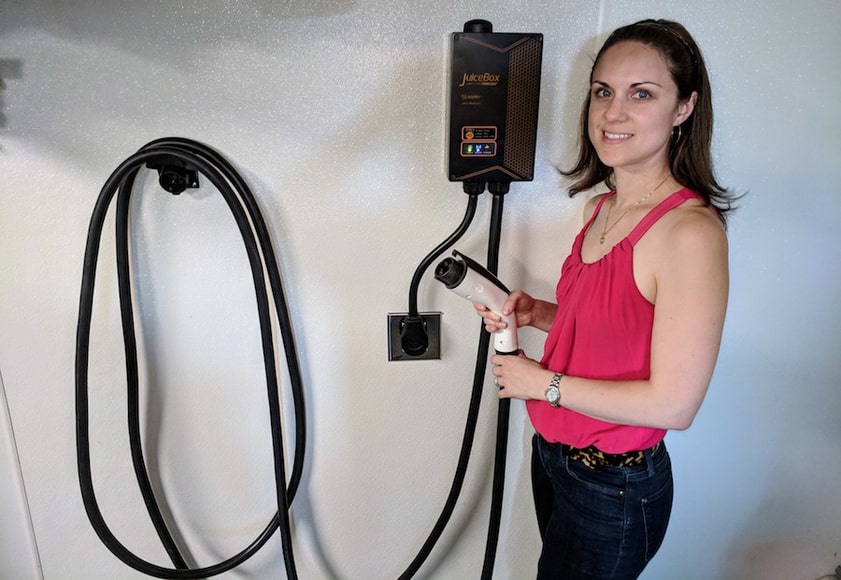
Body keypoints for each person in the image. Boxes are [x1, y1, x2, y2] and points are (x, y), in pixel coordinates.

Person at [475, 19, 734, 579]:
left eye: (642, 94)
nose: (614, 112)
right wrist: (538, 313)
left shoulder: (690, 234)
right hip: (557, 460)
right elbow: (611, 325)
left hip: (614, 486)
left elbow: (674, 405)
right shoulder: (601, 209)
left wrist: (539, 381)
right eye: (603, 92)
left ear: (684, 108)